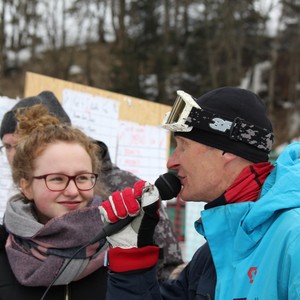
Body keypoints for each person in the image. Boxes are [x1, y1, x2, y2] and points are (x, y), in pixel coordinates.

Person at [96, 87, 300, 300]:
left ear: (227, 152)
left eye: (183, 146)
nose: (171, 161)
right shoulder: (213, 253)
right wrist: (132, 263)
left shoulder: (293, 236)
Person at [0, 91, 184, 282]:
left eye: (27, 144)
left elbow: (168, 272)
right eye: (8, 146)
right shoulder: (12, 235)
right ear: (26, 186)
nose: (15, 155)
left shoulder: (125, 192)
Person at [0, 103, 108, 299]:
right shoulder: (4, 249)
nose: (73, 191)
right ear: (26, 186)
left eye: (82, 178)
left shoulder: (119, 245)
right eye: (57, 179)